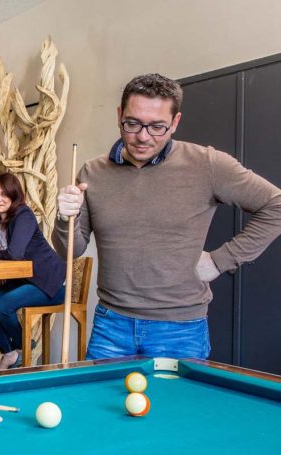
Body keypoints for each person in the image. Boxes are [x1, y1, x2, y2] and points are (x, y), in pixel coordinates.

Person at [53, 73, 281, 359]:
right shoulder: (92, 172)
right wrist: (63, 217)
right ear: (119, 115)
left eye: (157, 126)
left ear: (175, 122)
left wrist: (219, 260)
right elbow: (68, 251)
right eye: (132, 123)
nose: (143, 136)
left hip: (180, 329)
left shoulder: (207, 164)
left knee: (179, 405)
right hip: (110, 325)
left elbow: (276, 206)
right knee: (96, 404)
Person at [0, 173, 66, 369]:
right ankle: (11, 353)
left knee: (3, 306)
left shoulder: (24, 215)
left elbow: (15, 254)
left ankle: (23, 345)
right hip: (23, 281)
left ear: (15, 196)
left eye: (4, 194)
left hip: (48, 283)